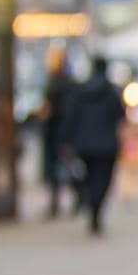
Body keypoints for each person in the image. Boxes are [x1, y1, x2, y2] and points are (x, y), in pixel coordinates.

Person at [60, 56, 125, 236]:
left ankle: (91, 203)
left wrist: (66, 140)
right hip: (107, 145)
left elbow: (70, 117)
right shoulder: (111, 91)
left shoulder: (80, 91)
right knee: (103, 180)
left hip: (83, 143)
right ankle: (96, 206)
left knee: (88, 177)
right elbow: (121, 115)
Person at [38, 46, 77, 218]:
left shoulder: (56, 82)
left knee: (60, 167)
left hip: (56, 130)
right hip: (62, 130)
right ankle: (74, 199)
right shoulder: (67, 82)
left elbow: (49, 108)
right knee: (66, 166)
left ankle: (59, 202)